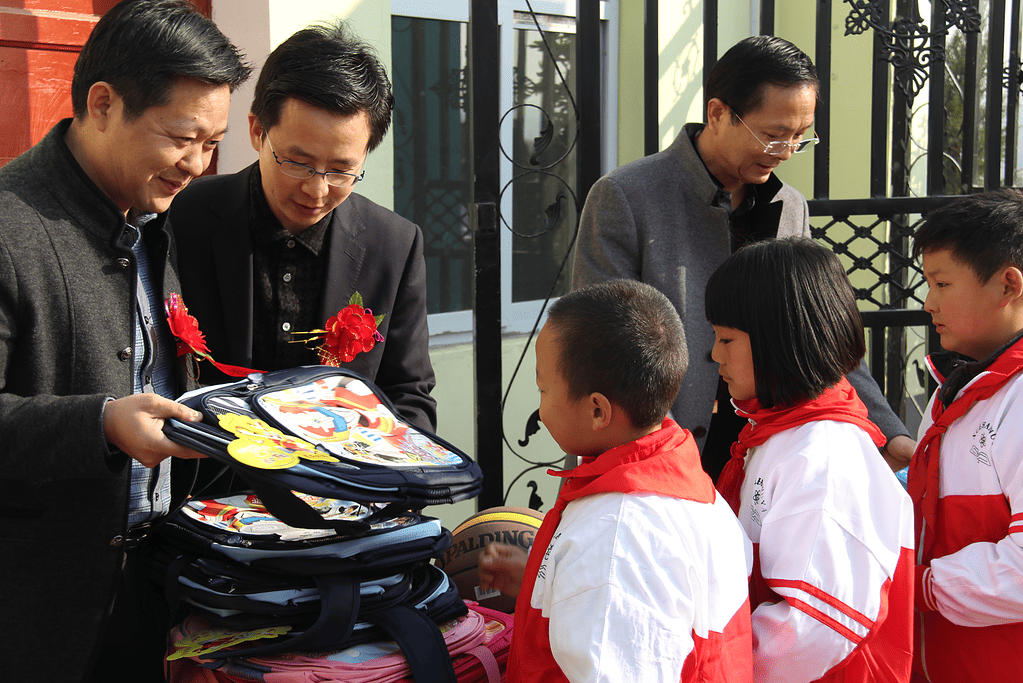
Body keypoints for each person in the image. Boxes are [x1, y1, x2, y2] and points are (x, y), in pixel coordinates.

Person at [0, 1, 250, 680]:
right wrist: (102, 422)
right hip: (38, 616)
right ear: (103, 103)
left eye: (212, 142)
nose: (197, 164)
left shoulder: (150, 216)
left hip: (150, 587)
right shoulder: (11, 228)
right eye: (181, 136)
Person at [572, 35, 914, 478]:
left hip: (765, 449)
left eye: (799, 138)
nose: (786, 151)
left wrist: (887, 430)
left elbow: (821, 335)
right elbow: (601, 348)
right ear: (718, 114)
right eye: (773, 134)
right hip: (654, 454)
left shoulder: (790, 206)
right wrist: (662, 453)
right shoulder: (626, 197)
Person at [171, 21, 437, 432]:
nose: (316, 190)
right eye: (297, 162)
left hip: (337, 487)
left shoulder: (393, 245)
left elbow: (407, 393)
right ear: (258, 131)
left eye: (340, 170)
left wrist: (391, 489)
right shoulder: (182, 218)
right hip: (206, 483)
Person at [489, 279, 753, 682]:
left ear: (597, 411)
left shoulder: (615, 539)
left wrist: (587, 577)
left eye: (543, 389)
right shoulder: (686, 483)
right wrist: (550, 581)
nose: (540, 411)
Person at [706, 237, 914, 682]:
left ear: (782, 340)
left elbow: (814, 626)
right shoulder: (783, 434)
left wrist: (713, 668)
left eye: (726, 338)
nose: (715, 354)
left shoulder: (823, 454)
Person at [908, 190, 1023, 682]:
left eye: (942, 283)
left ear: (1008, 284)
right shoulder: (955, 388)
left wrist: (922, 587)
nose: (929, 302)